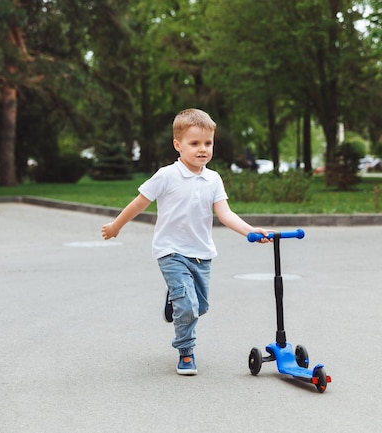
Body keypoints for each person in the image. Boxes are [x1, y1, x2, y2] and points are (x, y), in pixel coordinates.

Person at [101, 108, 270, 376]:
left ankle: (175, 300)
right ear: (178, 145)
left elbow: (224, 213)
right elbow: (140, 202)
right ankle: (186, 352)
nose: (202, 149)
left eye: (207, 143)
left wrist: (250, 231)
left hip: (202, 253)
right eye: (194, 144)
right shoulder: (166, 175)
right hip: (170, 251)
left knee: (199, 306)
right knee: (188, 307)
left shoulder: (213, 179)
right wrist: (116, 226)